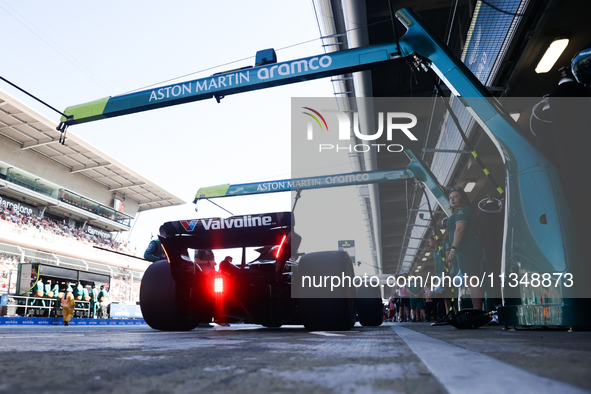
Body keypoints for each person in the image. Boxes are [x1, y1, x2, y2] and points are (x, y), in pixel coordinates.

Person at [446, 187, 485, 310]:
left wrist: (453, 249)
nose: (452, 199)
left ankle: (477, 311)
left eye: (456, 196)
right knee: (470, 281)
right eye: (451, 198)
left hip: (467, 250)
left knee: (472, 281)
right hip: (465, 251)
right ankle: (477, 310)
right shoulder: (460, 211)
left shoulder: (463, 210)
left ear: (463, 197)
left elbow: (460, 229)